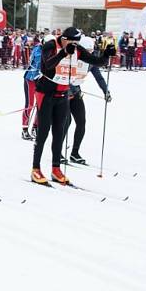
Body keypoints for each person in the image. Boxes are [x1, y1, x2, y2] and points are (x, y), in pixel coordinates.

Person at [30, 27, 115, 185]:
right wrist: (63, 53)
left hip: (63, 95)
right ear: (64, 38)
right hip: (46, 93)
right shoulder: (51, 45)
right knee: (43, 133)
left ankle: (56, 168)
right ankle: (36, 168)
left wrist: (106, 54)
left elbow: (95, 62)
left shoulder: (76, 48)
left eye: (77, 42)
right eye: (72, 42)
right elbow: (46, 66)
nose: (75, 45)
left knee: (59, 132)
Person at [64, 37, 111, 165]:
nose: (89, 53)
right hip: (64, 91)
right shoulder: (71, 58)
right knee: (66, 121)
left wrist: (105, 91)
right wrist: (70, 89)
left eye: (91, 50)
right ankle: (58, 152)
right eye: (87, 50)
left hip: (76, 91)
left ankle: (75, 153)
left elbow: (99, 78)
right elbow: (63, 76)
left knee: (81, 122)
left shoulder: (90, 62)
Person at [21, 36, 44, 140]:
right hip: (31, 78)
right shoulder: (38, 48)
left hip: (41, 80)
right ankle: (25, 129)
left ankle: (35, 127)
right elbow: (38, 63)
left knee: (40, 105)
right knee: (30, 104)